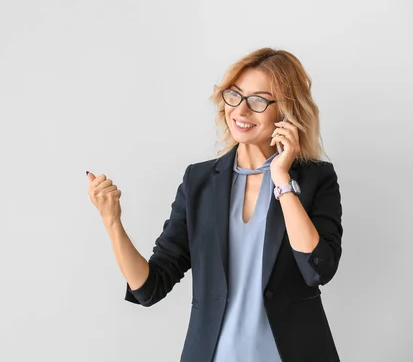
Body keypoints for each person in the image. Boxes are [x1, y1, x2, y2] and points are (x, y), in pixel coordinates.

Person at [86, 47, 343, 362]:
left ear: (285, 111)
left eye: (258, 101)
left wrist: (282, 179)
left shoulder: (317, 178)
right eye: (234, 95)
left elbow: (318, 269)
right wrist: (113, 222)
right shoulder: (200, 181)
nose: (241, 110)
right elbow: (150, 287)